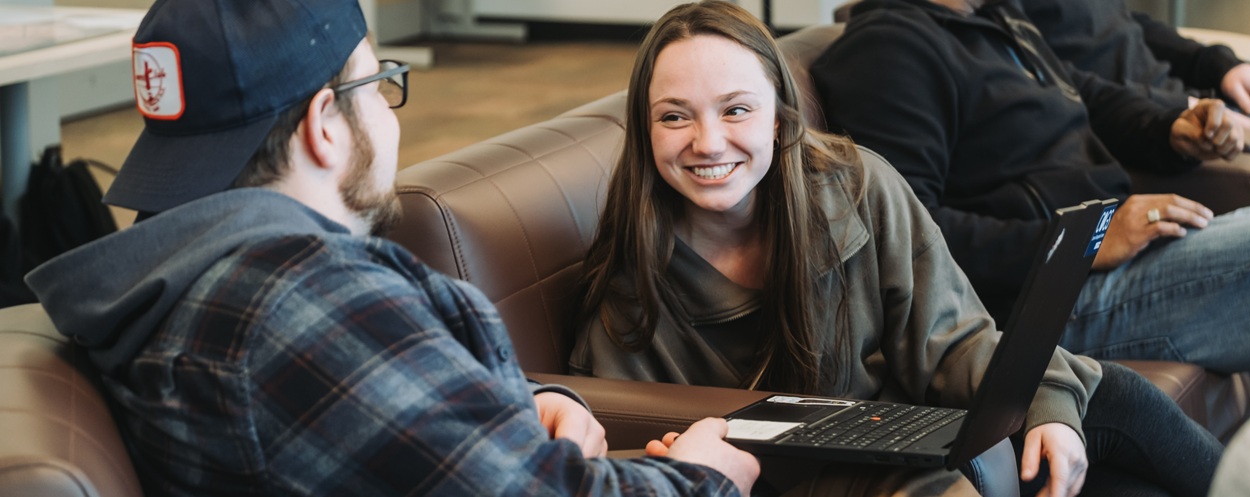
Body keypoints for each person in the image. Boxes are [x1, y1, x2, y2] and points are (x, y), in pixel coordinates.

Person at [23, 0, 759, 495]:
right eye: (378, 85)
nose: (389, 109)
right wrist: (705, 474)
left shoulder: (171, 280)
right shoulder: (300, 301)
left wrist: (525, 401)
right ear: (324, 124)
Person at [572, 2, 1222, 496]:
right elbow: (608, 440)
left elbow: (956, 337)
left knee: (1114, 405)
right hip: (863, 477)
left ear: (778, 116)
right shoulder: (632, 281)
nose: (708, 142)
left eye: (736, 110)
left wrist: (1047, 407)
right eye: (675, 116)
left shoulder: (855, 182)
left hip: (923, 433)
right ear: (646, 129)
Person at [812, 0, 1250, 380]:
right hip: (1046, 299)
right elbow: (907, 238)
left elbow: (1085, 95)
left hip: (1110, 253)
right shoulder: (885, 52)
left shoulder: (995, 17)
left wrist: (1168, 127)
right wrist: (1080, 244)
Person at [1019, 0, 1250, 153]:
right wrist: (1180, 109)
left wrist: (1221, 66)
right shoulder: (997, 18)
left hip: (1183, 97)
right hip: (1151, 127)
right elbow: (1055, 83)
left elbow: (1125, 22)